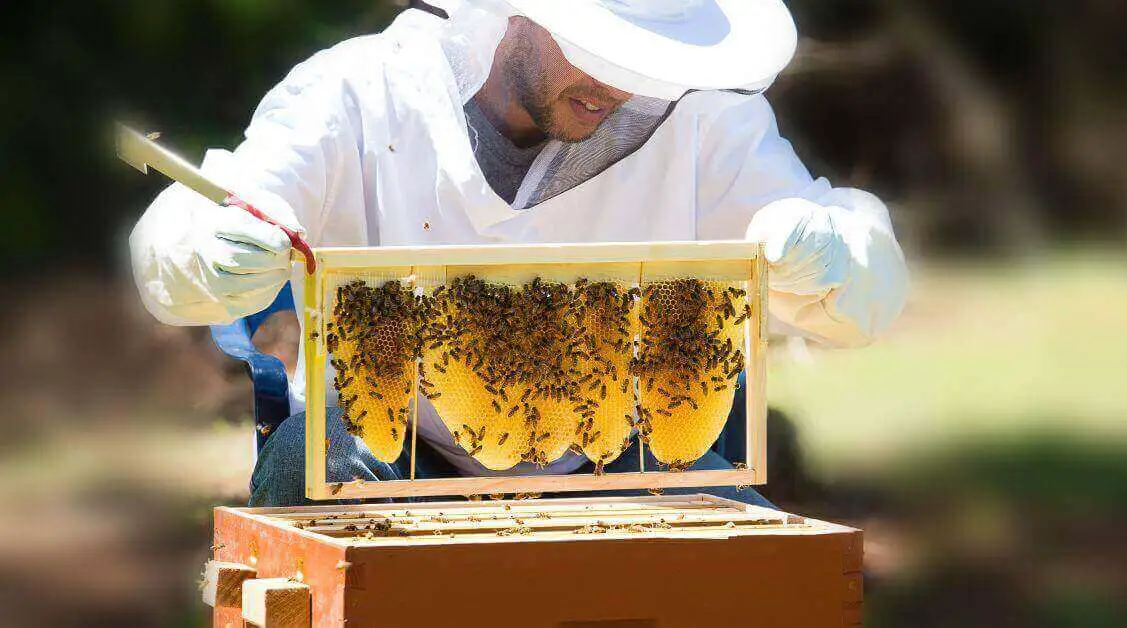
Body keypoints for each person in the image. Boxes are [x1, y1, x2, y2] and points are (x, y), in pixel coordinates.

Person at [129, 0, 909, 508]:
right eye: (605, 48)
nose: (627, 87)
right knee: (308, 465)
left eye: (654, 61)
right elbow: (203, 226)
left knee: (745, 557)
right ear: (520, 13)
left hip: (623, 466)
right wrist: (207, 250)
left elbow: (864, 297)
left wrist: (827, 255)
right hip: (386, 455)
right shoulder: (357, 95)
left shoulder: (709, 123)